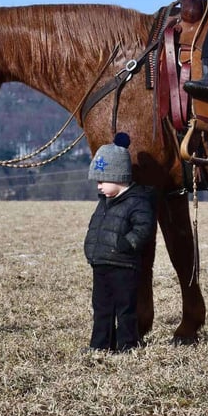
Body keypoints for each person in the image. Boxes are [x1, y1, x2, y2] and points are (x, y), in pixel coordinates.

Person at [83, 132, 156, 353]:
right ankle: (99, 345)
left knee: (125, 309)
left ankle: (127, 345)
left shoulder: (138, 202)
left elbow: (144, 228)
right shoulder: (105, 202)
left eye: (102, 181)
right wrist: (91, 248)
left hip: (124, 266)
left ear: (119, 176)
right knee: (101, 308)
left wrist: (127, 244)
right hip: (102, 264)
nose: (99, 187)